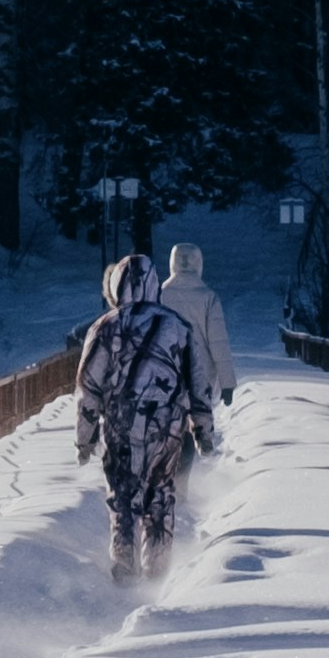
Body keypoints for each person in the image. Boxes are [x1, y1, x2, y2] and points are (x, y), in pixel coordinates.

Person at [72, 246, 225, 579]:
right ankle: (157, 572)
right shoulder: (177, 326)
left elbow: (88, 390)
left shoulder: (104, 327)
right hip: (166, 427)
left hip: (119, 427)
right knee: (160, 496)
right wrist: (202, 430)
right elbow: (198, 384)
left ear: (117, 286)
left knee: (121, 497)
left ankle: (123, 566)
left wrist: (84, 440)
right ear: (155, 285)